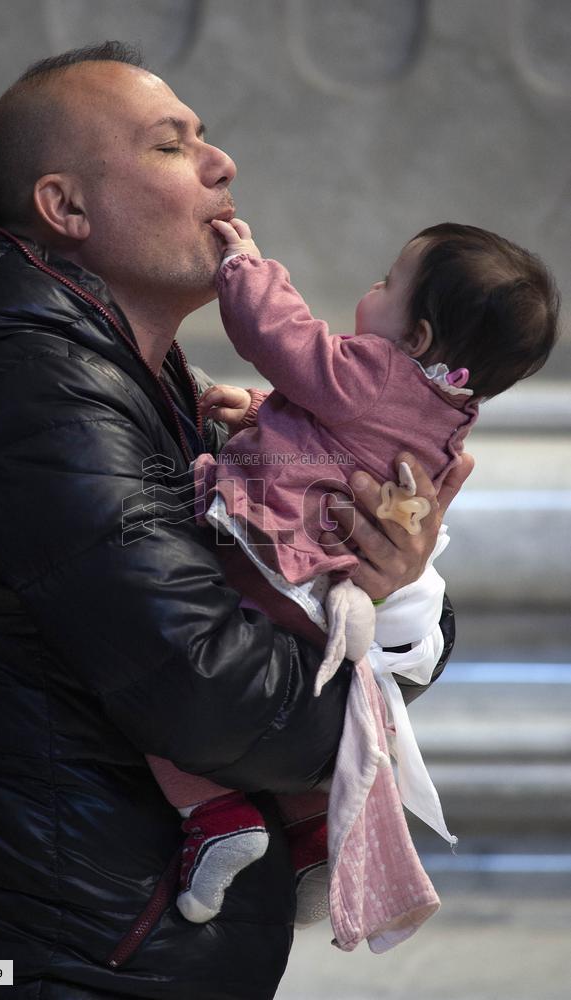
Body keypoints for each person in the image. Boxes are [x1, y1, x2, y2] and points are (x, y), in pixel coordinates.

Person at [0, 41, 470, 1000]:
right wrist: (376, 666)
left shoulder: (122, 361)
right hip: (45, 958)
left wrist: (398, 582)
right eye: (172, 146)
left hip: (92, 939)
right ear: (66, 208)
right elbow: (214, 699)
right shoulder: (36, 392)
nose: (221, 165)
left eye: (206, 137)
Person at [145, 218, 560, 929]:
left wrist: (244, 266)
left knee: (157, 680)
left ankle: (214, 815)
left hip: (266, 561)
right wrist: (261, 416)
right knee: (294, 698)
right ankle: (311, 838)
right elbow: (337, 449)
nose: (372, 287)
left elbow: (282, 339)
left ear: (419, 338)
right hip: (329, 593)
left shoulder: (372, 370)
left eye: (387, 282)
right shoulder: (442, 423)